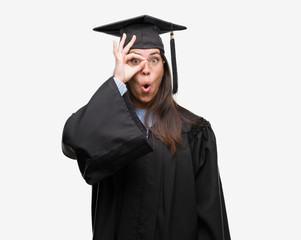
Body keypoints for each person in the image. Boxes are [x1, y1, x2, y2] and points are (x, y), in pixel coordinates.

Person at [62, 15, 231, 240]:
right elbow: (73, 143)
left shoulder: (195, 132)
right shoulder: (106, 126)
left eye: (154, 60)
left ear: (165, 67)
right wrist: (116, 83)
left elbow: (211, 221)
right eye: (134, 61)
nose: (145, 69)